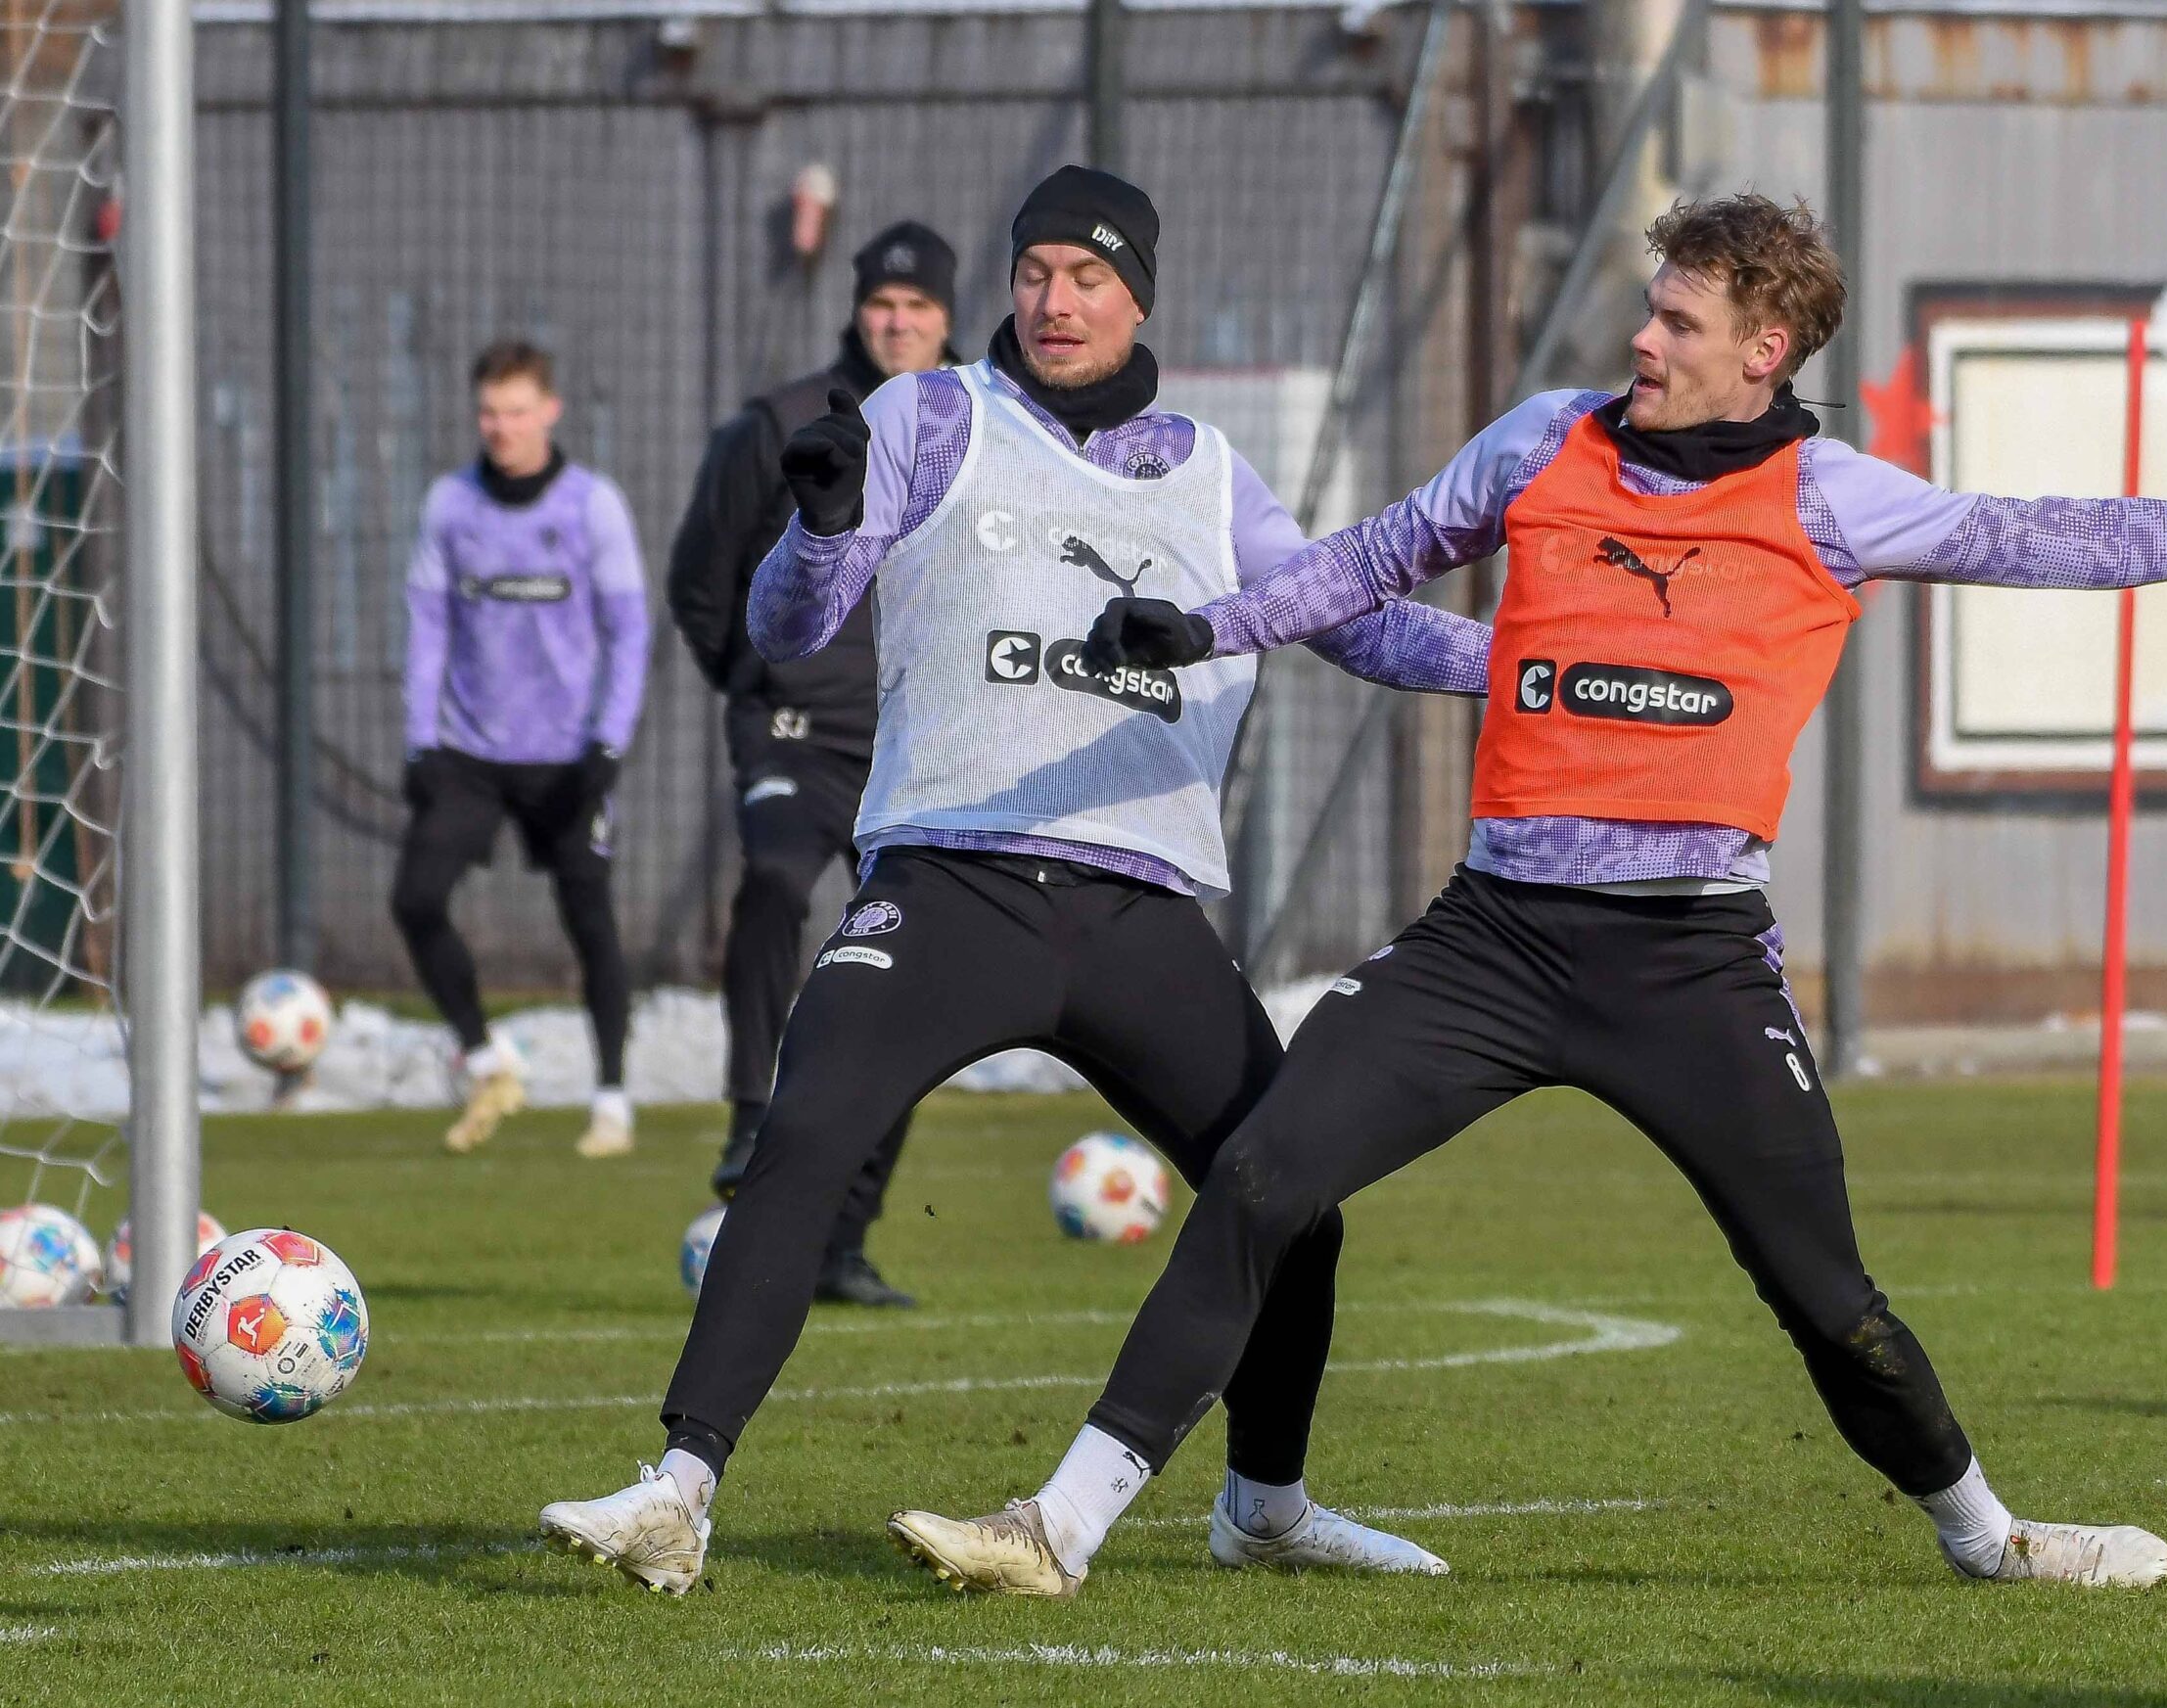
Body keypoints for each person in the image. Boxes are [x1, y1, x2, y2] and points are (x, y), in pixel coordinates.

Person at [889, 192, 2167, 1596]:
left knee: (1828, 1300)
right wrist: (1213, 626)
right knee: (1261, 1172)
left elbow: (2067, 539)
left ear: (1764, 346)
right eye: (1649, 308)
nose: (1643, 337)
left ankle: (1988, 1534)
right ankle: (1062, 1527)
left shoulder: (1839, 498)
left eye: (1678, 318)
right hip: (1491, 941)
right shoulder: (1540, 445)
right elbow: (1365, 563)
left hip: (1692, 964)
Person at [538, 166, 1496, 1595]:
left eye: (1089, 276)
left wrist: (1532, 670)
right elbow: (792, 625)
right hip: (947, 881)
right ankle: (680, 1490)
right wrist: (810, 531)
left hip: (1138, 908)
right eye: (1036, 270)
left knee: (1289, 1192)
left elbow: (1353, 624)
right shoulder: (927, 416)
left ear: (1140, 298)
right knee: (806, 1136)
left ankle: (1270, 1506)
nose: (1055, 299)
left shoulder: (1211, 471)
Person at [669, 220, 964, 1309]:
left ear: (944, 319)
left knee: (917, 982)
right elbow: (701, 578)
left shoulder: (970, 429)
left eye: (919, 307)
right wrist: (759, 681)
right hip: (795, 726)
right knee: (778, 881)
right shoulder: (781, 423)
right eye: (882, 303)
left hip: (920, 741)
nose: (898, 320)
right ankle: (752, 1109)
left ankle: (841, 1239)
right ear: (858, 308)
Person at [394, 340, 653, 1160]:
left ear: (549, 410)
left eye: (515, 411)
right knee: (416, 897)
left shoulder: (590, 507)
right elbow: (428, 626)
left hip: (567, 756)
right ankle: (485, 1060)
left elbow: (629, 629)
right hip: (470, 753)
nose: (500, 427)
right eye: (487, 413)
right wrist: (419, 740)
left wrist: (608, 741)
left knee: (590, 923)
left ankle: (611, 1098)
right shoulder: (451, 504)